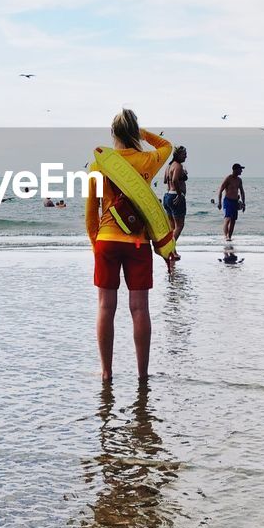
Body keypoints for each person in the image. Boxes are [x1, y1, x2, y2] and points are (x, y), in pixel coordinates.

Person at [84, 109, 176, 382]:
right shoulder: (147, 160)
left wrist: (95, 246)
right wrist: (143, 134)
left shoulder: (99, 165)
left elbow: (91, 214)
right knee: (139, 308)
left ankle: (106, 372)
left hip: (106, 242)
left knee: (105, 307)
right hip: (138, 244)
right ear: (134, 132)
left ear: (113, 134)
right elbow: (167, 146)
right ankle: (142, 375)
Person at [161, 146, 188, 241]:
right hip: (175, 196)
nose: (186, 156)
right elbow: (174, 180)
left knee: (172, 227)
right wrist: (180, 194)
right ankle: (170, 248)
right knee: (179, 226)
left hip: (167, 196)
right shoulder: (178, 166)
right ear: (178, 155)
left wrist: (181, 175)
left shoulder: (169, 166)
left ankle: (171, 250)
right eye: (184, 154)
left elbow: (165, 180)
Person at [217, 163, 245, 241]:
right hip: (228, 201)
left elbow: (242, 192)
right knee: (227, 218)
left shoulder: (239, 180)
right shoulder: (228, 178)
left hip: (235, 201)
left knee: (233, 220)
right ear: (235, 169)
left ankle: (229, 236)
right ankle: (225, 236)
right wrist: (219, 202)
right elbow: (220, 190)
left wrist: (243, 203)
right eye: (240, 169)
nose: (241, 171)